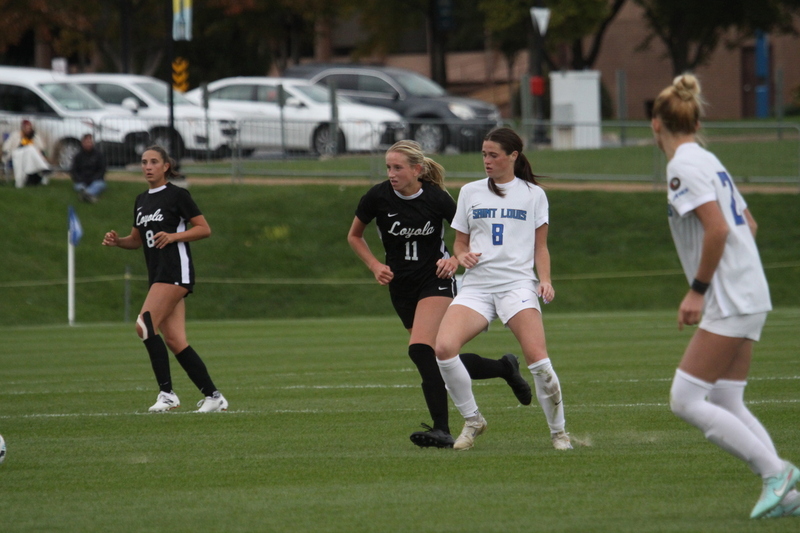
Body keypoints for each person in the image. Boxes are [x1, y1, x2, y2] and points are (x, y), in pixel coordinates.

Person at [651, 74, 799, 519]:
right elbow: (748, 226)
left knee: (685, 398)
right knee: (726, 400)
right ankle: (787, 492)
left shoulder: (682, 166)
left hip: (731, 296)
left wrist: (698, 291)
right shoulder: (708, 159)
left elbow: (718, 229)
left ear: (656, 124)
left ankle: (778, 474)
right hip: (748, 290)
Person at [347, 140, 533, 448]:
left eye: (398, 168)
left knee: (420, 350)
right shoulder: (377, 197)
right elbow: (354, 235)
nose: (391, 174)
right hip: (401, 287)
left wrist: (454, 259)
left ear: (417, 170)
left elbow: (472, 236)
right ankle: (504, 367)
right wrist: (374, 265)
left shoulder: (436, 198)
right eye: (388, 168)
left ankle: (442, 429)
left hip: (436, 281)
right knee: (439, 357)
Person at [434, 127, 571, 451]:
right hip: (478, 285)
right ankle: (473, 420)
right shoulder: (470, 191)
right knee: (443, 348)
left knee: (538, 361)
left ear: (513, 156)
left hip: (516, 285)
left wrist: (545, 280)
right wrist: (461, 255)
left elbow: (541, 247)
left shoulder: (533, 194)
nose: (487, 160)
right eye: (484, 154)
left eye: (493, 154)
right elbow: (460, 242)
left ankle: (559, 433)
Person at [102, 145, 228, 413]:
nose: (147, 166)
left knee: (144, 325)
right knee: (175, 341)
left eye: (154, 162)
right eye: (144, 162)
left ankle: (167, 393)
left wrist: (173, 236)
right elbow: (136, 241)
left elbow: (204, 229)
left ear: (166, 166)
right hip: (158, 274)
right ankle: (214, 396)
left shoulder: (177, 195)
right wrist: (118, 242)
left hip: (175, 271)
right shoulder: (141, 200)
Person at [1, 119, 50, 188]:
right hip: (17, 153)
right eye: (26, 128)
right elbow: (6, 146)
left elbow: (41, 147)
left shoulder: (34, 136)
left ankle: (27, 179)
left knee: (30, 150)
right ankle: (43, 168)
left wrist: (36, 144)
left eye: (29, 128)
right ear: (22, 128)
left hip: (29, 156)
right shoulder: (15, 135)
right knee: (30, 148)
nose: (28, 130)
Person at [70, 133, 107, 203]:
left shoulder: (99, 155)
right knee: (79, 186)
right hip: (82, 181)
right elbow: (74, 171)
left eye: (90, 142)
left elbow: (102, 170)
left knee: (99, 185)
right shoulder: (78, 156)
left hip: (96, 180)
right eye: (86, 142)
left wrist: (93, 179)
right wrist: (80, 179)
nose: (88, 144)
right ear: (82, 143)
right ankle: (89, 196)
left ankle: (86, 194)